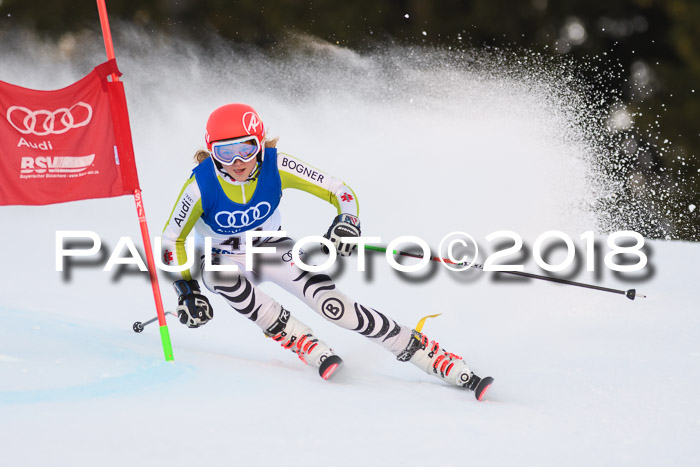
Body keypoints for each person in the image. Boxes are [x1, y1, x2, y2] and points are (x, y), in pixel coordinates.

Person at [161, 103, 493, 400]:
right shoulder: (200, 186)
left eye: (246, 149)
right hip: (223, 259)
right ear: (211, 151)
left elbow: (339, 190)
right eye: (225, 152)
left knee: (336, 308)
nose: (237, 162)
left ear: (259, 145)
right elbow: (171, 240)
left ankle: (428, 354)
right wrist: (186, 290)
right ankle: (300, 340)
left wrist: (347, 221)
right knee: (221, 276)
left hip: (271, 248)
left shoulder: (278, 166)